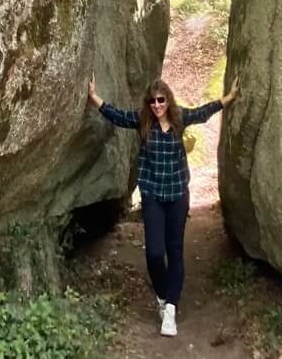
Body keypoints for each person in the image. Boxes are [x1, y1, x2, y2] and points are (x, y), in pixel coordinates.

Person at [88, 72, 240, 338]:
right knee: (155, 253)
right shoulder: (142, 122)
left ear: (168, 100)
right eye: (152, 102)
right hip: (153, 196)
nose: (156, 106)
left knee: (175, 249)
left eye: (161, 100)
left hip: (178, 195)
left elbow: (204, 112)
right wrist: (94, 98)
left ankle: (170, 308)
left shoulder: (180, 119)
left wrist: (228, 98)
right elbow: (116, 115)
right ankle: (161, 295)